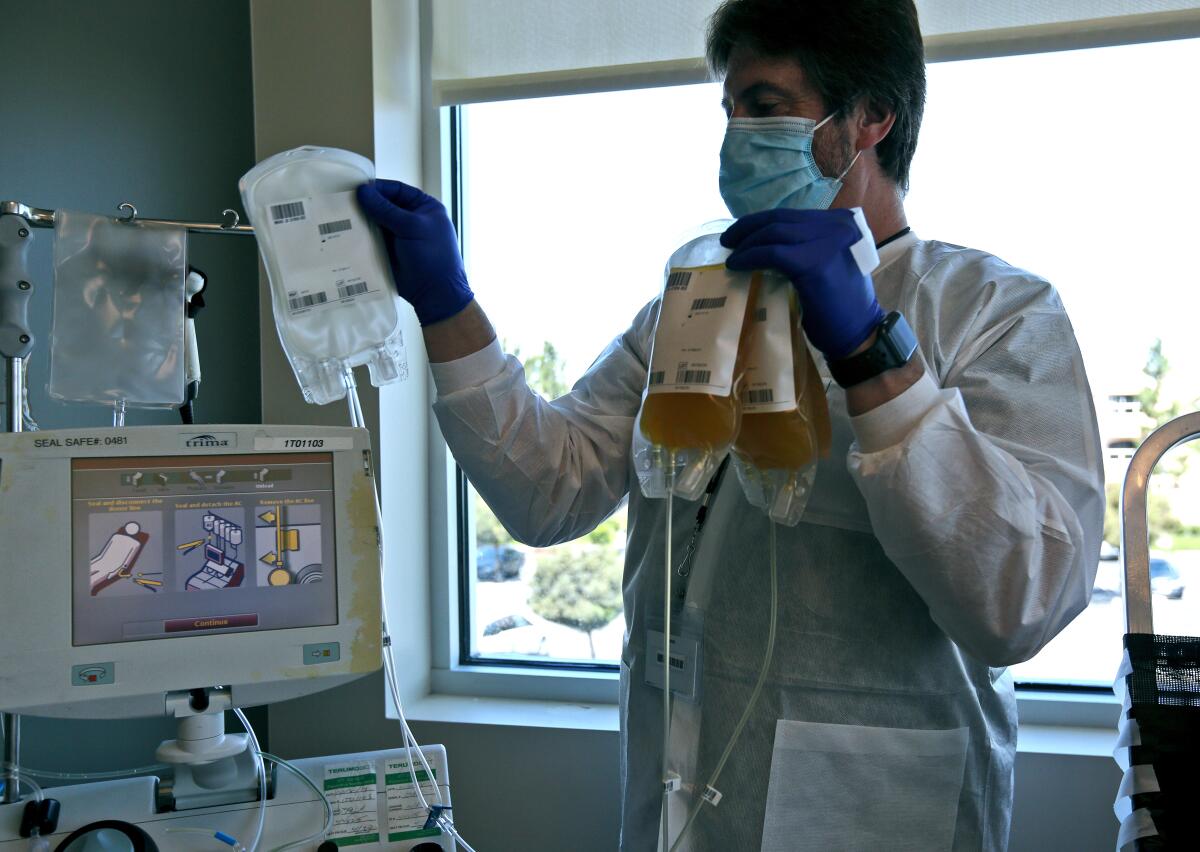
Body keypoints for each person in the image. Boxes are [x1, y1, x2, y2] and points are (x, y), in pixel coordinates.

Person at [356, 0, 1104, 847]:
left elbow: (1021, 601)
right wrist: (449, 308)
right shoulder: (694, 303)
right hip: (678, 802)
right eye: (731, 108)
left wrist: (871, 354)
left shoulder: (995, 312)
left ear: (869, 118)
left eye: (767, 105)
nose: (736, 134)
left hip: (873, 810)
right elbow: (549, 491)